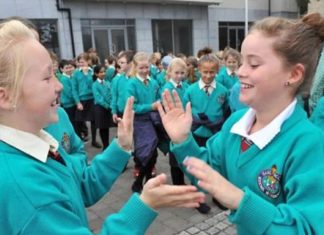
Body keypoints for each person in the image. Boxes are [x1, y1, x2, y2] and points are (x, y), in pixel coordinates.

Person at [0, 20, 206, 234]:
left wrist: (121, 146)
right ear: (5, 97)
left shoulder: (38, 141)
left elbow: (82, 188)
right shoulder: (26, 190)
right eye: (46, 77)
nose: (59, 85)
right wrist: (143, 206)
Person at [158, 13, 324, 234]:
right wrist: (183, 141)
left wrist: (239, 200)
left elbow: (307, 228)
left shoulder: (310, 144)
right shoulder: (237, 123)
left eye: (253, 64)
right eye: (243, 61)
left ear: (294, 74)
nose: (240, 71)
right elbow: (209, 175)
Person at [182, 54, 230, 214]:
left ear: (217, 71)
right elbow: (185, 111)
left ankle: (217, 195)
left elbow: (225, 111)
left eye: (212, 72)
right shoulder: (190, 90)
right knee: (198, 166)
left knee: (217, 165)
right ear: (198, 71)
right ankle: (198, 198)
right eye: (205, 72)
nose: (208, 76)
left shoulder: (223, 90)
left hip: (215, 134)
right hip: (197, 133)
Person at [126, 52, 161, 193]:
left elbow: (158, 98)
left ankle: (142, 182)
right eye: (141, 68)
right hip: (140, 122)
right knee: (147, 152)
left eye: (147, 67)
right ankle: (141, 182)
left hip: (154, 120)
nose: (145, 70)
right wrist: (150, 107)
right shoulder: (131, 84)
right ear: (135, 67)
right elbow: (132, 106)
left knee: (153, 153)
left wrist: (160, 102)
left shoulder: (153, 82)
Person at [162, 58, 189, 186]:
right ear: (170, 72)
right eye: (176, 73)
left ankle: (182, 182)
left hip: (184, 124)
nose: (179, 76)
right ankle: (178, 185)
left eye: (182, 73)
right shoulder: (166, 88)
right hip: (173, 126)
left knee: (184, 155)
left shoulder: (186, 86)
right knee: (174, 158)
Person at [92, 64, 113, 150]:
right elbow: (98, 98)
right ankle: (105, 145)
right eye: (101, 72)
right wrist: (107, 106)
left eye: (104, 71)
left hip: (108, 107)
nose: (103, 73)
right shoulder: (95, 85)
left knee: (106, 127)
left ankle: (107, 144)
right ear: (96, 74)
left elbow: (111, 94)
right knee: (102, 127)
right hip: (100, 108)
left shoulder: (108, 83)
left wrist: (111, 104)